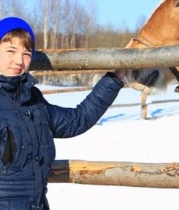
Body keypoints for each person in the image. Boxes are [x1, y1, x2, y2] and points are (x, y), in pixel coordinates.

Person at [0, 16, 126, 209]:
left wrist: (114, 79)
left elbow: (77, 120)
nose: (19, 60)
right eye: (11, 51)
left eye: (26, 53)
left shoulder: (33, 99)